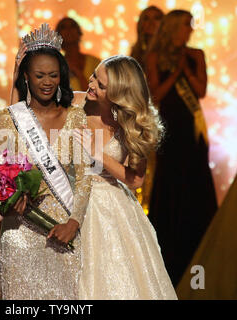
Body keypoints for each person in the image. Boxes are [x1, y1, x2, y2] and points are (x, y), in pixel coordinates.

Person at [0, 23, 91, 299]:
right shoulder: (6, 119)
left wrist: (74, 223)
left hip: (65, 232)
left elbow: (85, 177)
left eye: (54, 75)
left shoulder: (76, 118)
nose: (47, 82)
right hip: (20, 234)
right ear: (25, 77)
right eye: (39, 75)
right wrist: (8, 199)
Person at [71, 55, 177, 299]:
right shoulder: (75, 103)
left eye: (101, 84)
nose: (91, 82)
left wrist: (98, 154)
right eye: (95, 75)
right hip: (71, 201)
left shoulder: (131, 121)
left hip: (111, 208)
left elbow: (136, 179)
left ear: (118, 94)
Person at [145, 10, 217, 287]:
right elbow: (156, 95)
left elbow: (200, 91)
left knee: (196, 183)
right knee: (171, 185)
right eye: (187, 25)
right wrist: (175, 72)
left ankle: (199, 250)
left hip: (192, 131)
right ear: (174, 27)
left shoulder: (196, 54)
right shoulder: (154, 57)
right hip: (170, 129)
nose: (191, 30)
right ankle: (169, 255)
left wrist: (186, 68)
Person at [130, 6, 164, 214]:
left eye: (156, 19)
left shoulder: (167, 55)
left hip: (162, 117)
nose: (150, 23)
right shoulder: (135, 54)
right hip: (138, 119)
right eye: (146, 19)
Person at [55, 17, 101, 91]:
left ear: (79, 32)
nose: (68, 30)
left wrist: (78, 73)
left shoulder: (95, 62)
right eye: (63, 27)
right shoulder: (55, 65)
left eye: (72, 26)